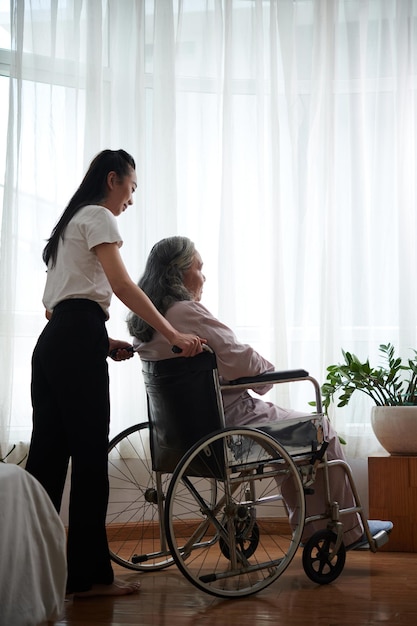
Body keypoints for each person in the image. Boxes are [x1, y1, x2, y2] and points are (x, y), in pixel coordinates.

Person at [127, 235, 393, 548]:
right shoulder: (187, 312)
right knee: (321, 433)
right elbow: (239, 358)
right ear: (179, 272)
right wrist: (267, 372)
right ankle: (345, 531)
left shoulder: (144, 322)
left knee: (295, 447)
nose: (204, 276)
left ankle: (316, 527)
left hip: (178, 437)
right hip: (231, 426)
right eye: (199, 268)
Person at [25, 151, 205, 599]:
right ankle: (88, 580)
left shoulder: (67, 226)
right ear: (113, 179)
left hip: (53, 346)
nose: (131, 198)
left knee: (45, 465)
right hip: (74, 341)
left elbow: (57, 307)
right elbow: (123, 287)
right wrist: (174, 334)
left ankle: (31, 572)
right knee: (89, 463)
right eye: (131, 188)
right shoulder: (99, 217)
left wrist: (102, 343)